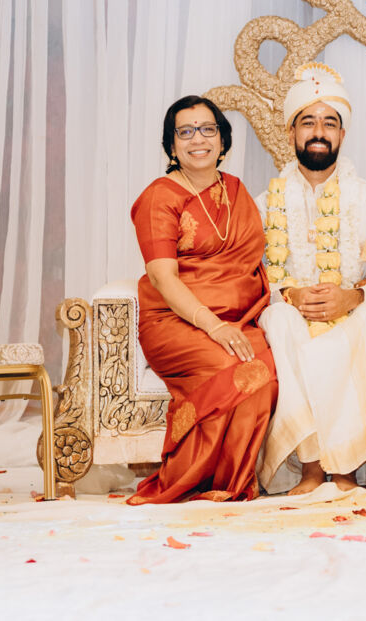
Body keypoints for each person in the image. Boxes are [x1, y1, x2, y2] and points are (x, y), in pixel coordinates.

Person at [256, 62, 366, 495]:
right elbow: (250, 276)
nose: (319, 132)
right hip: (292, 312)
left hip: (352, 313)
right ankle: (311, 468)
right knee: (278, 320)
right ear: (291, 132)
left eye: (329, 123)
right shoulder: (263, 204)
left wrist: (353, 298)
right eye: (308, 122)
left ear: (343, 135)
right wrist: (288, 293)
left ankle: (345, 469)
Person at [127, 95, 277, 504]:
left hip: (239, 319)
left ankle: (233, 479)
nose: (198, 139)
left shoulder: (236, 190)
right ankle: (196, 479)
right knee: (233, 369)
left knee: (265, 372)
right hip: (175, 321)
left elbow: (250, 265)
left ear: (222, 140)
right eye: (186, 131)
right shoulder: (160, 197)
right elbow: (162, 277)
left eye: (208, 129)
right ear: (171, 145)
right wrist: (213, 325)